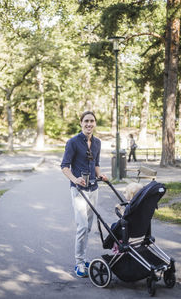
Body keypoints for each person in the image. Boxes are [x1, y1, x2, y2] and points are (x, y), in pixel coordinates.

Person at [61, 111, 108, 278]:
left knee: (87, 227)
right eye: (86, 121)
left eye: (92, 121)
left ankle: (83, 257)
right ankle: (79, 262)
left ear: (95, 123)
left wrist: (100, 175)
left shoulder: (97, 143)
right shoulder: (72, 142)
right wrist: (75, 179)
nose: (89, 124)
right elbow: (64, 167)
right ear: (81, 123)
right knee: (82, 227)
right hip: (79, 191)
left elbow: (96, 163)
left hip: (94, 190)